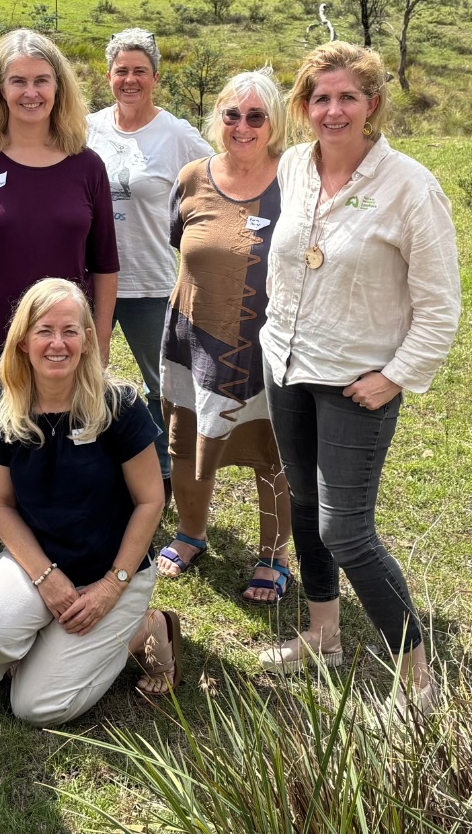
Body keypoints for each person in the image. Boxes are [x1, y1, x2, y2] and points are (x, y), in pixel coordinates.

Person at [258, 42, 460, 710]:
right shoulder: (292, 165)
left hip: (356, 380)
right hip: (286, 363)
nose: (333, 110)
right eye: (320, 98)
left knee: (347, 530)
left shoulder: (408, 185)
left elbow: (440, 306)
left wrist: (397, 376)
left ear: (373, 104)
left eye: (348, 97)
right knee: (306, 509)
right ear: (303, 106)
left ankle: (419, 683)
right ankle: (323, 634)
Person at [0, 279, 181, 726]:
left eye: (70, 331)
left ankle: (145, 630)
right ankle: (54, 638)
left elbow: (151, 501)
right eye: (44, 331)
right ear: (22, 342)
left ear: (89, 339)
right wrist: (45, 576)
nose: (58, 343)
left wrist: (112, 585)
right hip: (37, 564)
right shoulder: (6, 409)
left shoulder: (119, 405)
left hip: (112, 570)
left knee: (36, 707)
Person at [0, 29, 120, 595]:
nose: (30, 92)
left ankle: (50, 569)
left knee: (56, 464)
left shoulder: (86, 166)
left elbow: (106, 266)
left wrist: (101, 344)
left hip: (64, 349)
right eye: (17, 80)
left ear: (59, 88)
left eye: (42, 80)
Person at [157, 70, 292, 603]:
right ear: (218, 118)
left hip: (269, 341)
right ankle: (192, 532)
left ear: (274, 122)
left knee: (270, 450)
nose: (242, 126)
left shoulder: (295, 181)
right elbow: (182, 241)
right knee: (187, 440)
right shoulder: (193, 177)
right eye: (232, 115)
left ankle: (274, 553)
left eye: (255, 116)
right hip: (193, 333)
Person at [87, 28, 212, 495]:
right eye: (122, 70)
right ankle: (97, 464)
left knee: (162, 384)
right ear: (109, 76)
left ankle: (165, 472)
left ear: (156, 77)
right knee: (84, 375)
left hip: (151, 279)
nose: (131, 79)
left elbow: (219, 176)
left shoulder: (176, 134)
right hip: (90, 278)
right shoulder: (88, 127)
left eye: (141, 70)